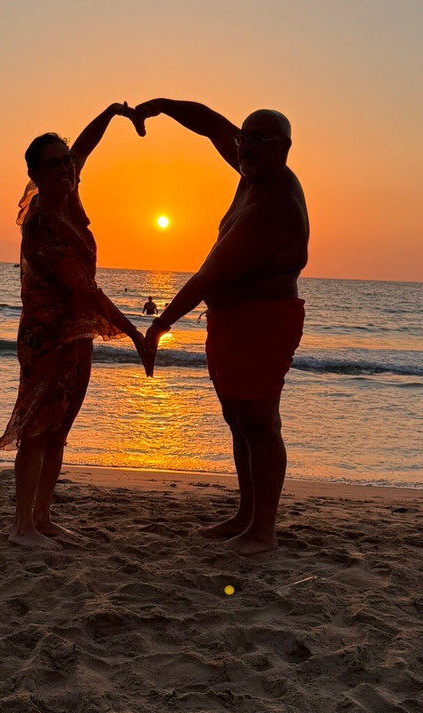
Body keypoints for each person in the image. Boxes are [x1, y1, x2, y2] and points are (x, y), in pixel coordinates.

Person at [137, 99, 309, 556]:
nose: (245, 147)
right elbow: (212, 124)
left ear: (284, 149)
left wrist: (159, 329)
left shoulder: (272, 205)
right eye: (244, 138)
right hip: (232, 321)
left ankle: (263, 532)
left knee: (260, 424)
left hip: (263, 321)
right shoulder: (252, 169)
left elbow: (208, 275)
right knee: (238, 420)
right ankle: (246, 514)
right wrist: (160, 107)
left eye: (259, 140)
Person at [0, 104, 154, 550]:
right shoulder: (43, 224)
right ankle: (21, 526)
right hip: (46, 338)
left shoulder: (69, 197)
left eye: (66, 161)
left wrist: (115, 113)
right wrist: (137, 334)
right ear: (35, 175)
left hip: (77, 334)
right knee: (37, 427)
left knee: (61, 428)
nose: (66, 168)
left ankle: (43, 518)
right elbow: (88, 293)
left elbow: (84, 148)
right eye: (54, 164)